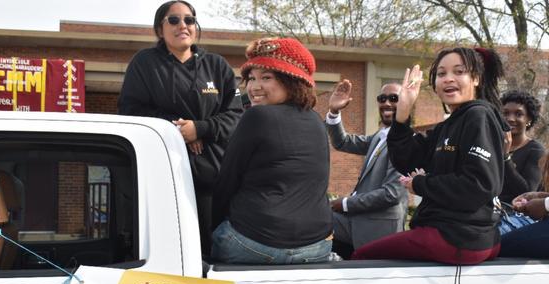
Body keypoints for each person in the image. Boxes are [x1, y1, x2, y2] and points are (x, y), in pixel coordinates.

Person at [352, 47, 508, 264]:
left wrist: (421, 184)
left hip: (460, 237)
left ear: (476, 79)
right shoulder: (449, 124)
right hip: (453, 233)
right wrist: (403, 112)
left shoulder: (478, 115)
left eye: (459, 72)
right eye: (441, 74)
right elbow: (407, 160)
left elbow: (479, 186)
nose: (448, 79)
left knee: (361, 255)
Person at [117, 0, 243, 256]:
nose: (182, 25)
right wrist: (178, 131)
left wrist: (201, 128)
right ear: (159, 29)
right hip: (163, 174)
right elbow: (130, 110)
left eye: (189, 19)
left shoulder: (217, 65)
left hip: (211, 177)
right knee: (170, 249)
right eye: (173, 20)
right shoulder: (144, 63)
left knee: (209, 249)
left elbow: (236, 115)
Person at [211, 38, 333, 264]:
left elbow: (227, 182)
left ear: (292, 81)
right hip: (317, 246)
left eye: (266, 78)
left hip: (253, 243)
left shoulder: (256, 116)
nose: (254, 87)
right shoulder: (316, 120)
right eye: (251, 78)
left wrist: (212, 225)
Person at [326, 80, 408, 258]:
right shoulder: (380, 136)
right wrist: (334, 111)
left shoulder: (407, 142)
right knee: (314, 219)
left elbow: (392, 194)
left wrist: (346, 203)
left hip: (379, 230)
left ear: (406, 102)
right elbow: (342, 141)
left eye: (394, 98)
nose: (386, 103)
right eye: (382, 98)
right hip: (356, 220)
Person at [499, 90, 545, 204]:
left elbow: (527, 192)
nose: (510, 118)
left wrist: (505, 157)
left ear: (529, 120)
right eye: (505, 113)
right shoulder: (492, 144)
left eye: (518, 114)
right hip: (485, 209)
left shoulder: (536, 150)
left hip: (514, 215)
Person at [499, 154, 549, 258]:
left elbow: (525, 187)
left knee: (495, 246)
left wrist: (544, 204)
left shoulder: (534, 150)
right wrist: (541, 196)